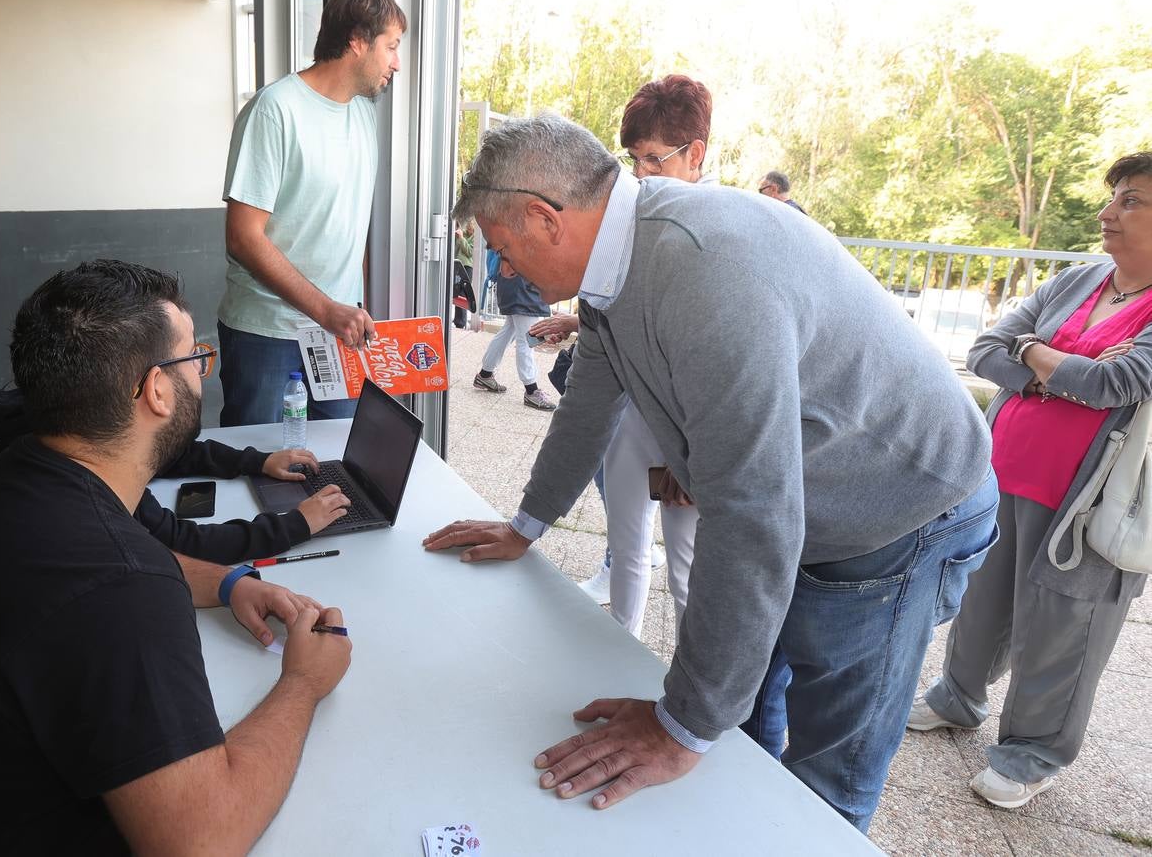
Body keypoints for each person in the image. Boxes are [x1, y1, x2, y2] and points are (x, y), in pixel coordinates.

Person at [422, 114, 996, 832]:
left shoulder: (703, 269)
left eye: (503, 249)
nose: (504, 271)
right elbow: (590, 401)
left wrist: (678, 726)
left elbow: (751, 516)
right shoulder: (616, 263)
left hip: (899, 509)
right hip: (806, 502)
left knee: (828, 779)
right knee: (739, 712)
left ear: (545, 218)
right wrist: (527, 524)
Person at [0, 261, 352, 854]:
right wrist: (302, 681)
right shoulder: (120, 581)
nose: (203, 370)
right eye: (196, 356)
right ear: (158, 390)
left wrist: (226, 584)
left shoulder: (20, 468)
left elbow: (80, 583)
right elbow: (203, 841)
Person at [908, 152, 1152, 809]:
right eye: (1112, 199)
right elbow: (987, 348)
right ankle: (957, 697)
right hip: (1004, 471)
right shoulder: (1079, 279)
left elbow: (1117, 384)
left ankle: (1032, 754)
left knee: (1065, 624)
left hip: (1090, 500)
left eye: (1129, 201)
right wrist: (1046, 359)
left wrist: (1040, 358)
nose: (1107, 213)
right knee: (983, 598)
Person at [534, 74, 712, 635]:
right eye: (634, 159)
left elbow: (720, 363)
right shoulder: (630, 217)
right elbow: (618, 309)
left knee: (687, 566)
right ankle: (623, 658)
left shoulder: (717, 231)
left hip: (689, 423)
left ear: (696, 156)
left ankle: (685, 692)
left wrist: (696, 451)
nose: (642, 174)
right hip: (633, 410)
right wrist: (578, 319)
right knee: (627, 547)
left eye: (655, 159)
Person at [218, 0, 407, 426]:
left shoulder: (362, 114)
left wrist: (349, 307)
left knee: (336, 465)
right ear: (358, 40)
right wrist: (328, 309)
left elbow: (347, 223)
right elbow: (244, 237)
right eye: (391, 47)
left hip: (338, 335)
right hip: (267, 333)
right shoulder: (275, 109)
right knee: (259, 466)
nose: (396, 62)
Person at [0, 386, 350, 564]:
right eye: (192, 359)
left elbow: (174, 455)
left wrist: (255, 462)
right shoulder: (95, 468)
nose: (197, 378)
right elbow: (183, 543)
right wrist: (296, 525)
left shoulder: (60, 419)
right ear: (151, 387)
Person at [473, 247, 559, 410]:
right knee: (527, 339)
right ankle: (531, 391)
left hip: (512, 286)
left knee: (508, 331)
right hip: (524, 290)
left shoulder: (510, 230)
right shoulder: (526, 229)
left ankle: (485, 374)